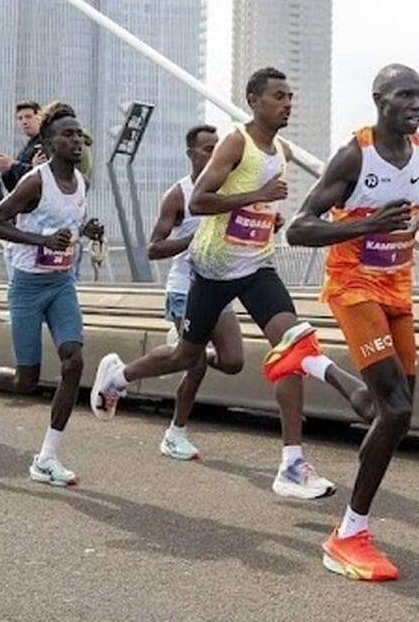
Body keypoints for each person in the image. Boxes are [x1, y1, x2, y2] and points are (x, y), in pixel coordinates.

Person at [89, 68, 363, 506]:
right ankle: (119, 377)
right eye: (279, 96)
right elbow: (200, 201)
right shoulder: (236, 142)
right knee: (186, 355)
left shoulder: (282, 150)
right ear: (254, 100)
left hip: (257, 267)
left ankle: (292, 464)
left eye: (291, 96)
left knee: (291, 347)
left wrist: (269, 216)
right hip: (212, 270)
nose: (287, 103)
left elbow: (254, 206)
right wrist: (256, 196)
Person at [280, 63, 419, 582]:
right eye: (405, 96)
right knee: (394, 410)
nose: (416, 104)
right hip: (353, 287)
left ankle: (310, 361)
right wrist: (369, 223)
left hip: (398, 287)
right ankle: (348, 533)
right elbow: (299, 229)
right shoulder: (356, 155)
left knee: (387, 409)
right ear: (379, 100)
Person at [0, 106, 106, 487]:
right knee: (25, 382)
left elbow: (64, 227)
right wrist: (42, 241)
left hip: (61, 282)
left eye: (79, 134)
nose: (76, 140)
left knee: (74, 362)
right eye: (67, 134)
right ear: (49, 143)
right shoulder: (35, 181)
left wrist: (86, 229)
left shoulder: (81, 183)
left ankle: (47, 458)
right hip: (27, 286)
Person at [149, 124, 251, 461]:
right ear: (191, 154)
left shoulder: (227, 188)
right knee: (196, 368)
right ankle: (175, 434)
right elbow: (154, 248)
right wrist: (192, 242)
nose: (214, 153)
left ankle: (183, 351)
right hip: (185, 289)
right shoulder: (178, 194)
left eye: (217, 147)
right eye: (207, 148)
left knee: (234, 361)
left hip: (218, 287)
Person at [0, 99, 45, 190]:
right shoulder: (26, 148)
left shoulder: (47, 143)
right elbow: (15, 187)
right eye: (20, 118)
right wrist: (6, 171)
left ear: (39, 117)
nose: (24, 122)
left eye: (28, 117)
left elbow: (41, 176)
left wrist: (12, 165)